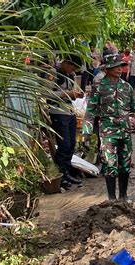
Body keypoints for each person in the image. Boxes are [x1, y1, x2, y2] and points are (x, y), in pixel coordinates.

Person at [83, 54, 135, 201]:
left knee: (125, 165)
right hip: (108, 132)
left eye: (121, 66)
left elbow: (134, 106)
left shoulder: (126, 86)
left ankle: (123, 196)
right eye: (116, 67)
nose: (119, 69)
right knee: (110, 164)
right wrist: (86, 132)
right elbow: (90, 111)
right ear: (108, 69)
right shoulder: (99, 87)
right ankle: (111, 198)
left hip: (125, 132)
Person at [48, 54, 84, 189]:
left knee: (71, 144)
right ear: (66, 63)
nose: (73, 70)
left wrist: (76, 94)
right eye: (72, 67)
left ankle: (67, 172)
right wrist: (66, 94)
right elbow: (47, 94)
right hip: (58, 113)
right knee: (64, 145)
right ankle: (61, 175)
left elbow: (70, 93)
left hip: (69, 112)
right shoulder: (54, 73)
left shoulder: (69, 75)